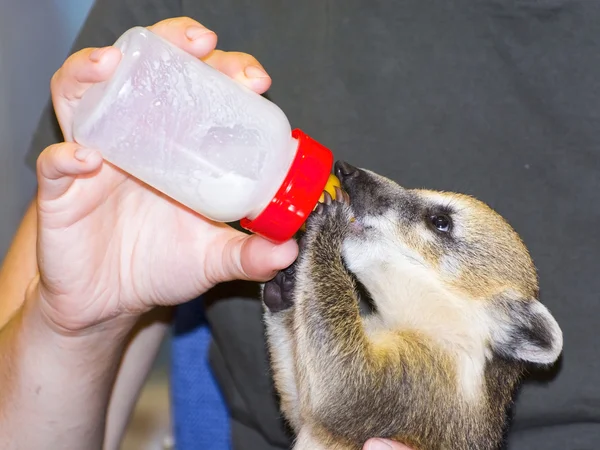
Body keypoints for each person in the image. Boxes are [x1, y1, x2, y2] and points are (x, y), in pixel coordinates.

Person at [2, 0, 598, 449]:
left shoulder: (454, 385)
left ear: (517, 331)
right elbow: (314, 411)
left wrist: (321, 249)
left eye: (437, 224)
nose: (382, 190)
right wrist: (73, 325)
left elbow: (339, 394)